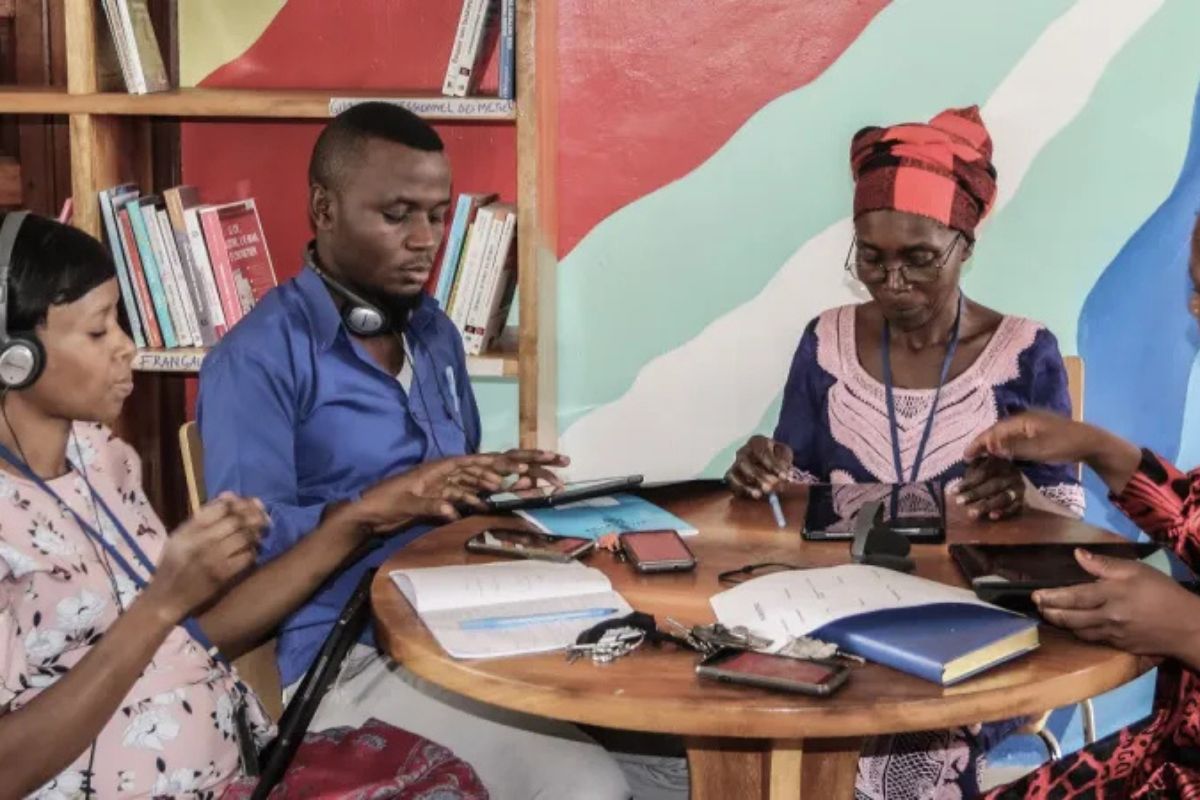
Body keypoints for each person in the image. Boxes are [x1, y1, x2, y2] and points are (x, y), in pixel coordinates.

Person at [197, 102, 635, 800]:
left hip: (450, 626)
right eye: (397, 215)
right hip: (336, 661)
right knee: (588, 787)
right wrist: (378, 508)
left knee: (662, 745)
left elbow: (443, 493)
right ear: (324, 209)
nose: (425, 239)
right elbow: (247, 564)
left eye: (437, 215)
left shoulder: (434, 332)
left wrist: (493, 491)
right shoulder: (255, 361)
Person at [0, 211, 488, 798]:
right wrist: (159, 605)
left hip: (234, 774)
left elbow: (197, 637)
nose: (126, 347)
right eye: (99, 331)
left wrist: (361, 517)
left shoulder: (101, 459)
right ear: (14, 355)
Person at [726, 106, 1083, 799]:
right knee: (768, 694)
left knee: (902, 732)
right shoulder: (826, 341)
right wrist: (761, 472)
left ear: (964, 245)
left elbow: (1068, 519)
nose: (892, 282)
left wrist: (1021, 497)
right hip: (839, 608)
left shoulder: (1023, 353)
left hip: (974, 621)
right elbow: (794, 491)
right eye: (871, 257)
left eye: (918, 258)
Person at [969, 216, 1200, 800]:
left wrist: (1188, 627)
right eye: (1196, 288)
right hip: (1166, 751)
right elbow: (1193, 518)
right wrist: (1099, 449)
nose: (1194, 310)